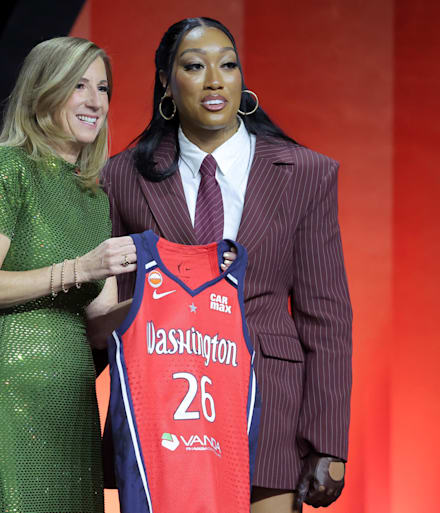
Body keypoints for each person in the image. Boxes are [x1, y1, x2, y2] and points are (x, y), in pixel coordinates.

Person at [100, 18, 353, 512]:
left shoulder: (305, 173)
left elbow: (327, 316)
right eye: (194, 66)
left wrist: (328, 442)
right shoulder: (124, 177)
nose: (216, 79)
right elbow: (110, 308)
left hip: (269, 404)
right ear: (167, 85)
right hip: (167, 408)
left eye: (228, 64)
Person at [0, 36, 137, 513]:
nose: (95, 101)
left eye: (103, 88)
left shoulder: (95, 198)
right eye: (79, 85)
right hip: (6, 394)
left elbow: (98, 324)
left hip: (73, 399)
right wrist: (81, 268)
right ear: (43, 91)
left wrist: (169, 291)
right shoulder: (7, 166)